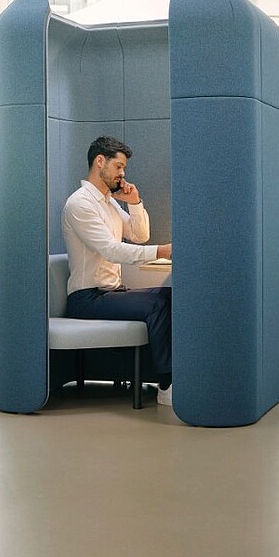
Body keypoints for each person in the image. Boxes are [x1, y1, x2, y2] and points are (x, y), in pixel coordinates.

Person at [61, 136, 174, 403]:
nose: (122, 174)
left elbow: (140, 234)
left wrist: (134, 202)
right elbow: (111, 249)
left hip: (110, 293)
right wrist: (162, 251)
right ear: (100, 161)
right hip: (86, 300)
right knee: (157, 304)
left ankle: (174, 373)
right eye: (119, 166)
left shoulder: (108, 203)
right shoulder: (80, 204)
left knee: (170, 295)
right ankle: (168, 382)